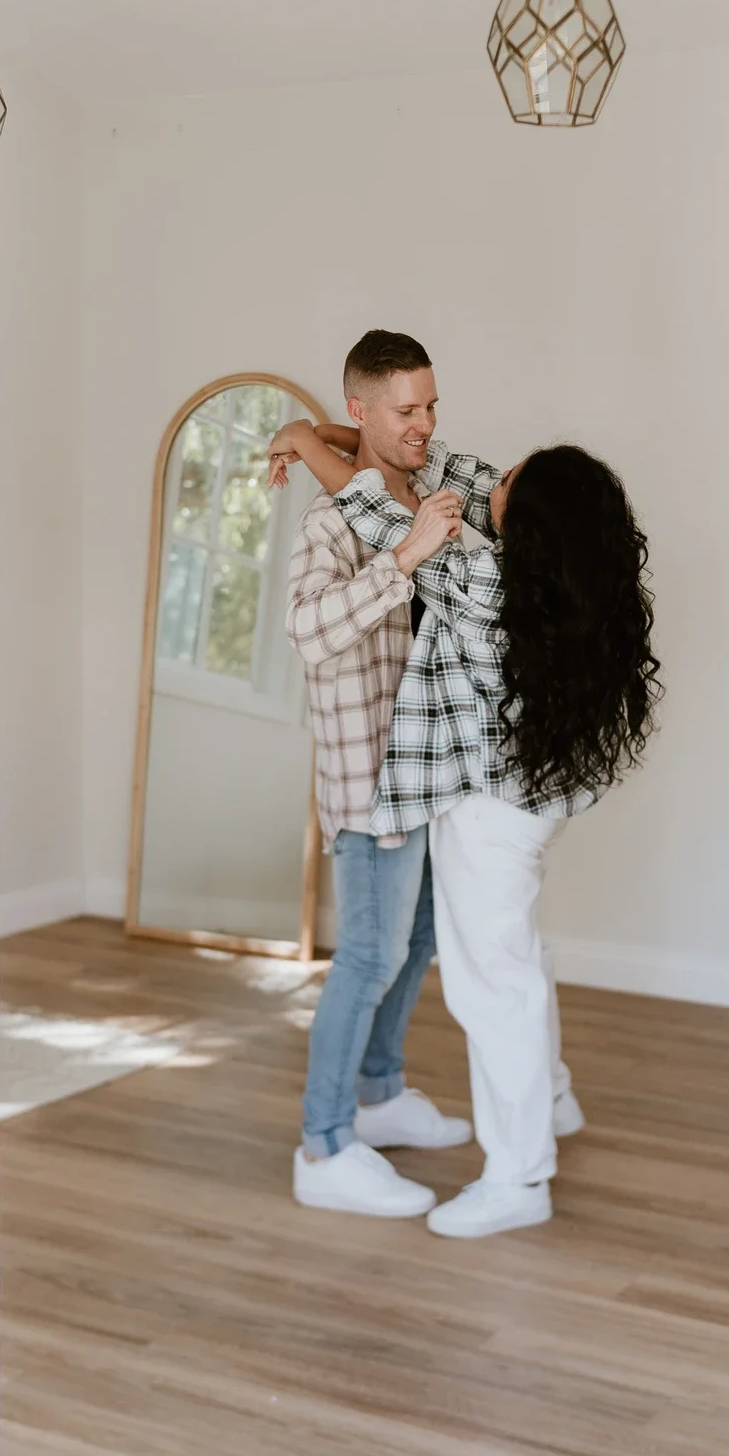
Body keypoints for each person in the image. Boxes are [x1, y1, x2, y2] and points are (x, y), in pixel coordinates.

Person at [275, 427, 660, 1239]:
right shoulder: (556, 581)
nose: (494, 475)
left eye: (511, 479)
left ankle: (518, 1178)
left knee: (492, 990)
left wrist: (304, 438)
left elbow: (378, 514)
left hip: (488, 818)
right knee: (520, 962)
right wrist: (362, 431)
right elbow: (447, 467)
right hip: (534, 804)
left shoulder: (481, 576)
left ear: (526, 521)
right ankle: (548, 1098)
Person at [280, 329, 509, 1218]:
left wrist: (308, 440)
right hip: (365, 777)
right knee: (367, 956)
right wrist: (404, 558)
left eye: (431, 406)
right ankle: (324, 1142)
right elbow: (307, 633)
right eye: (406, 410)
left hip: (427, 772)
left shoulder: (430, 485)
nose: (424, 424)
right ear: (362, 411)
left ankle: (377, 1094)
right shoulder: (333, 524)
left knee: (416, 943)